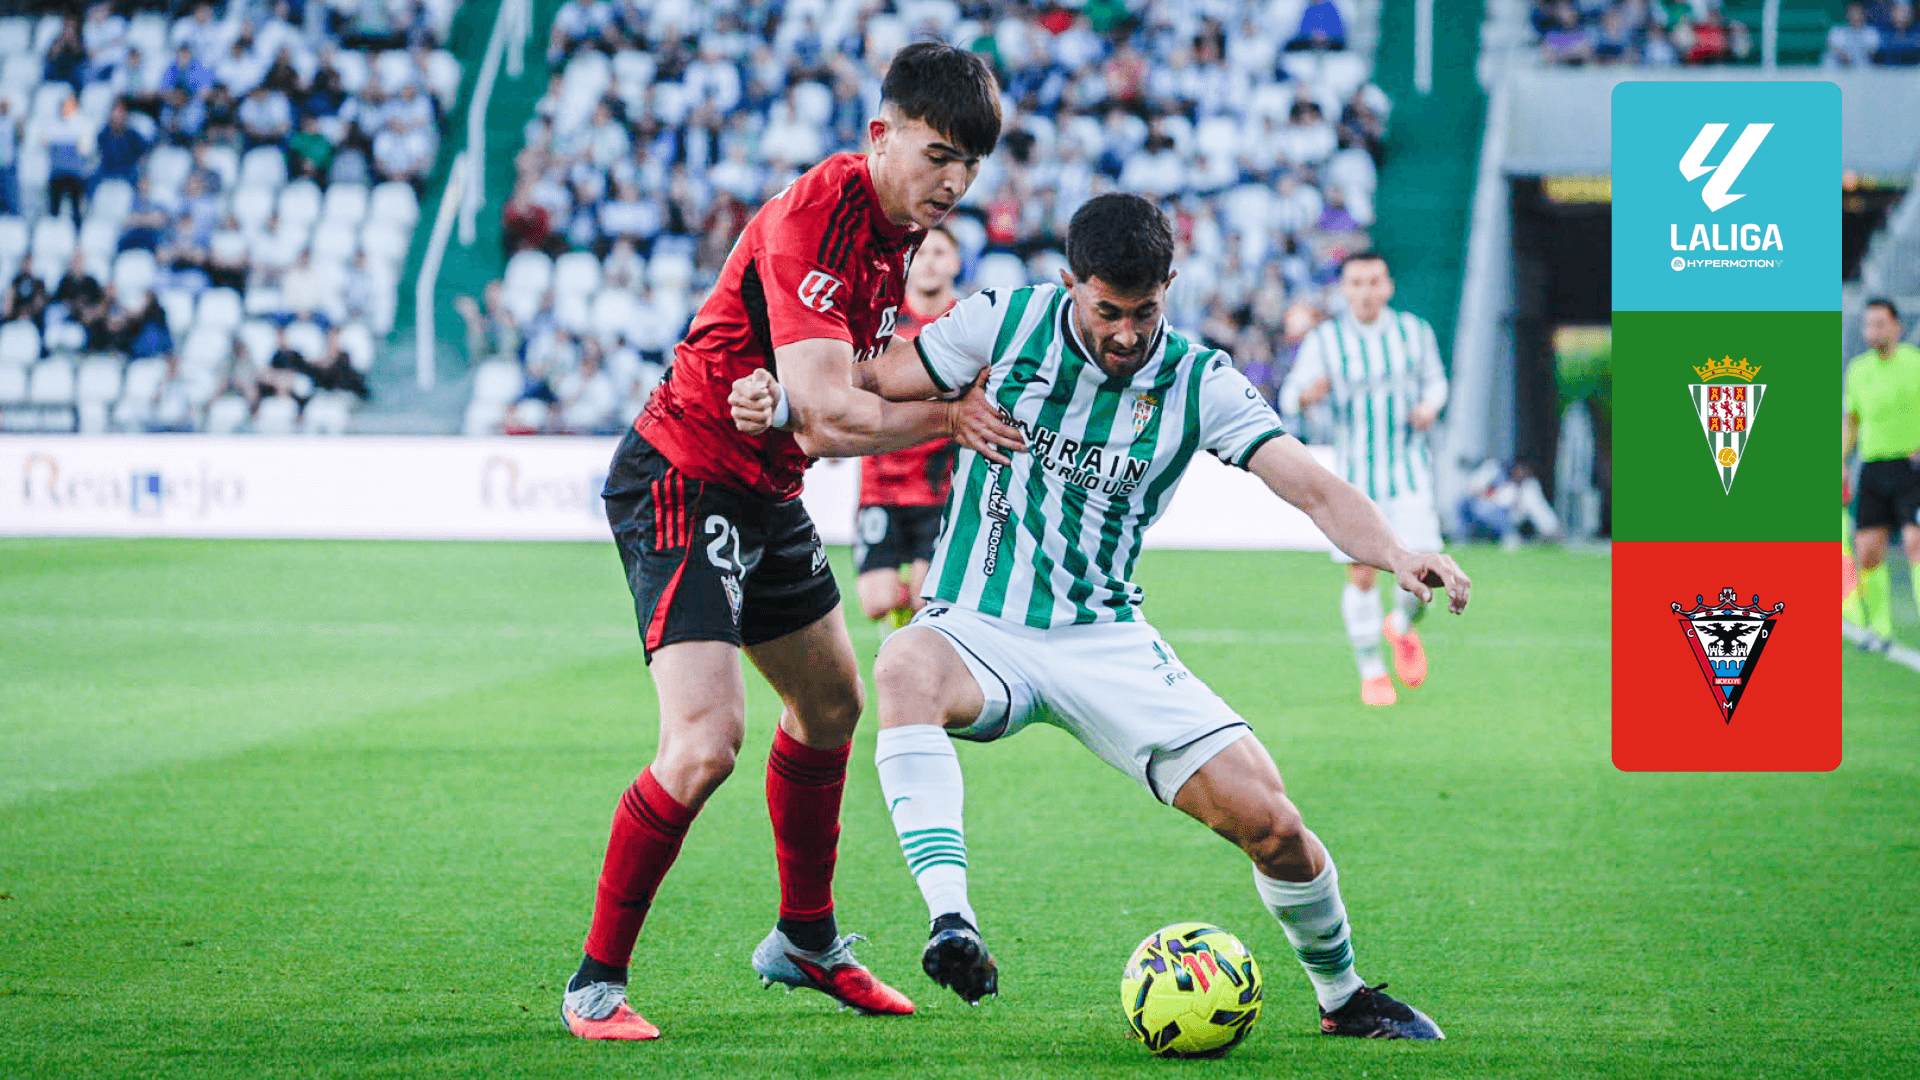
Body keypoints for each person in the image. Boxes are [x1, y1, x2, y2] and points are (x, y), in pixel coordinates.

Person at [730, 193, 1467, 1040]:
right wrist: (780, 400)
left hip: (1106, 635)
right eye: (1107, 311)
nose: (1125, 334)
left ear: (1169, 289)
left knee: (1276, 826)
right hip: (977, 622)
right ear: (1070, 283)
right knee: (902, 666)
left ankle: (1345, 999)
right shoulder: (1005, 322)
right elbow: (870, 379)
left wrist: (1396, 551)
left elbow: (1312, 486)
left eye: (1143, 312)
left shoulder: (1199, 379)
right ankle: (952, 922)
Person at [560, 41, 1017, 1043]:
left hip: (762, 488)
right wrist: (950, 417)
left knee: (832, 704)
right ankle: (595, 984)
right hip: (682, 476)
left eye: (972, 163)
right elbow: (830, 414)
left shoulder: (899, 231)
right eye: (939, 154)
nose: (956, 181)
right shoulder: (821, 212)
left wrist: (911, 382)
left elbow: (841, 382)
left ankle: (806, 940)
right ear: (881, 135)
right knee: (703, 744)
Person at [1279, 251, 1449, 707]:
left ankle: (1401, 625)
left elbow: (1437, 381)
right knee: (1362, 575)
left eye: (1374, 281)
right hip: (1354, 478)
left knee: (1425, 572)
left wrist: (1430, 406)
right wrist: (1307, 395)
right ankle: (1372, 670)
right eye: (1356, 283)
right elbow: (1289, 395)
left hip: (1408, 474)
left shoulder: (1414, 332)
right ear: (1344, 290)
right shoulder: (1327, 340)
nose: (1366, 291)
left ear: (1388, 286)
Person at [853, 224, 963, 629]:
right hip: (881, 481)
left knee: (925, 598)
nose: (929, 262)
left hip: (942, 485)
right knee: (876, 602)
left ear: (956, 262)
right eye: (922, 253)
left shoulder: (966, 322)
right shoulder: (883, 318)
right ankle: (906, 623)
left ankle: (913, 642)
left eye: (940, 253)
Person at [1842, 298, 1920, 646]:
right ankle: (1881, 629)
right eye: (1867, 324)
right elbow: (1852, 420)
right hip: (1873, 468)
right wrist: (1842, 461)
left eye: (1879, 324)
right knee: (1868, 551)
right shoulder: (1858, 370)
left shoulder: (1914, 363)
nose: (1872, 331)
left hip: (1911, 467)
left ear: (1896, 327)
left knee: (1915, 542)